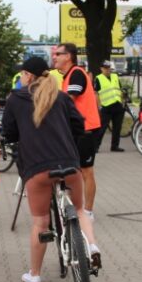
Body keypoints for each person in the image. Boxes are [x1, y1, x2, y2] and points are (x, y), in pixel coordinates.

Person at [2, 56, 98, 282]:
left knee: (41, 222)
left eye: (23, 74)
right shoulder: (62, 97)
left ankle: (34, 274)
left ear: (30, 76)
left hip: (37, 168)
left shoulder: (16, 99)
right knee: (79, 209)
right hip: (68, 162)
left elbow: (9, 133)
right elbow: (79, 125)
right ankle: (92, 246)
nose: (21, 77)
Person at [53, 43, 102, 219]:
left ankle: (88, 211)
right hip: (74, 130)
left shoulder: (77, 74)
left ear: (68, 56)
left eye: (58, 54)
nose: (55, 57)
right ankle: (73, 206)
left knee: (86, 171)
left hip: (86, 130)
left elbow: (67, 100)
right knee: (72, 170)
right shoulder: (67, 77)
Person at [95, 60, 126, 152]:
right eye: (105, 68)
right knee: (102, 128)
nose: (108, 70)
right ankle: (96, 146)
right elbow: (96, 93)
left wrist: (122, 101)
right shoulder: (98, 78)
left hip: (117, 105)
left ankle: (115, 146)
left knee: (117, 128)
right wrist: (99, 106)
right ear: (101, 69)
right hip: (106, 106)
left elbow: (119, 89)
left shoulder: (115, 76)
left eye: (109, 68)